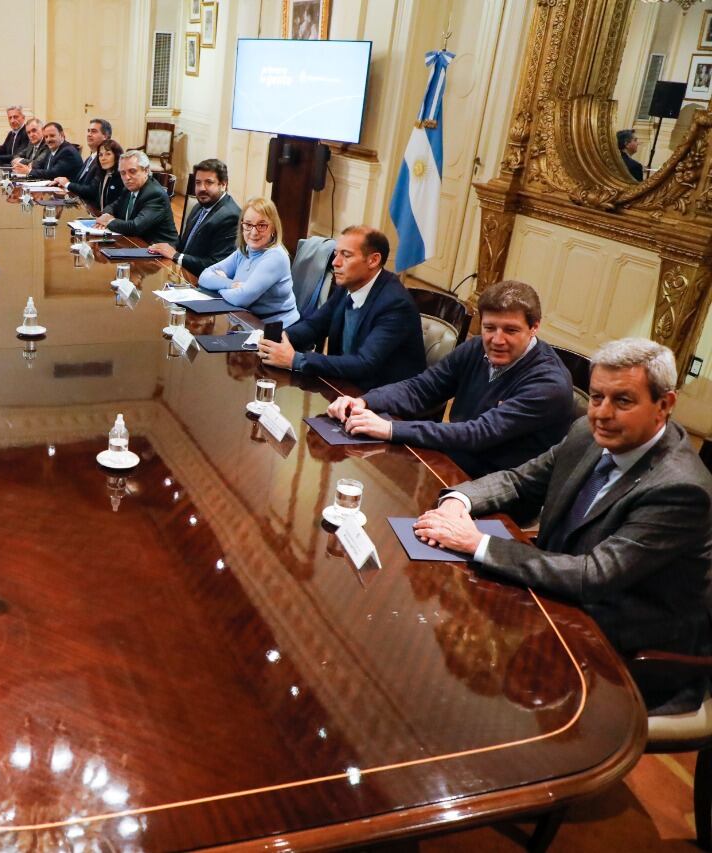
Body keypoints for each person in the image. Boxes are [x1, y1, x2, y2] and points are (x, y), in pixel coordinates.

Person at [413, 338, 712, 714]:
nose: (602, 413)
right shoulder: (586, 434)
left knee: (478, 701)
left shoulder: (679, 487)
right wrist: (460, 501)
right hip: (559, 597)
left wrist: (477, 543)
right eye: (597, 397)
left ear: (664, 405)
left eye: (622, 401)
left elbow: (593, 575)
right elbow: (520, 481)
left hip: (628, 643)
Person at [328, 280, 575, 476]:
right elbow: (422, 388)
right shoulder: (477, 347)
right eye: (490, 328)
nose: (497, 340)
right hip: (451, 461)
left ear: (534, 328)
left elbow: (477, 433)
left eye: (511, 330)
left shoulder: (549, 384)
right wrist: (365, 402)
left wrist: (390, 428)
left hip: (495, 486)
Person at [257, 225, 425, 390]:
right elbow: (314, 326)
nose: (335, 262)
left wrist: (296, 359)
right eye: (336, 254)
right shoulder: (348, 286)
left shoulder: (395, 304)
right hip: (341, 385)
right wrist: (278, 339)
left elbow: (364, 363)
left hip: (380, 398)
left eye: (346, 255)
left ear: (373, 260)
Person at [196, 198, 298, 325]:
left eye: (262, 225)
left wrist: (219, 286)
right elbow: (204, 276)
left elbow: (241, 298)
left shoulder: (276, 257)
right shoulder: (245, 250)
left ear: (273, 228)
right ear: (242, 226)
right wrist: (231, 284)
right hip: (245, 320)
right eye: (248, 225)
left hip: (276, 329)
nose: (254, 232)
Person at [148, 157, 240, 276]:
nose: (201, 188)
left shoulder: (230, 217)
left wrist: (176, 256)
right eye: (198, 183)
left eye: (209, 182)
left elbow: (217, 265)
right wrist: (164, 248)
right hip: (182, 274)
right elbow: (184, 244)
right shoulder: (198, 207)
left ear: (223, 185)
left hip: (203, 283)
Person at [94, 150, 179, 244]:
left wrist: (108, 221)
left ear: (146, 171)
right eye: (123, 173)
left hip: (157, 250)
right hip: (134, 241)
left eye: (132, 171)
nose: (127, 177)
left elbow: (135, 227)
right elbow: (112, 206)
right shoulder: (128, 188)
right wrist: (106, 214)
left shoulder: (155, 194)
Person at [57, 139, 125, 211]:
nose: (103, 158)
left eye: (108, 154)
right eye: (100, 155)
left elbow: (118, 205)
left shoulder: (121, 177)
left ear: (117, 156)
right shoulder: (102, 174)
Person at [11, 122, 81, 180]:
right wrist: (30, 166)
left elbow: (53, 174)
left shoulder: (67, 151)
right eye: (46, 137)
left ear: (62, 135)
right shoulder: (51, 149)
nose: (48, 140)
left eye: (52, 136)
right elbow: (39, 165)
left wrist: (28, 171)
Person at [69, 118, 112, 185]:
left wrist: (67, 184)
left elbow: (92, 191)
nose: (89, 134)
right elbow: (79, 181)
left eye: (93, 131)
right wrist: (64, 183)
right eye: (88, 131)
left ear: (105, 136)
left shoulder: (104, 160)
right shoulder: (90, 158)